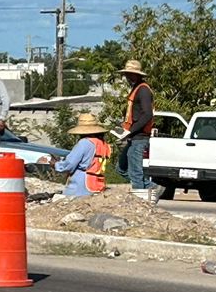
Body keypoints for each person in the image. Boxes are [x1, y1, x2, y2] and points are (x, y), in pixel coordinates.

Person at [115, 59, 154, 193]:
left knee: (135, 174)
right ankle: (153, 188)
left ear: (137, 75)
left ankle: (141, 199)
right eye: (126, 74)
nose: (127, 77)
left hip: (140, 137)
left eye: (130, 74)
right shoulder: (137, 89)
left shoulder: (143, 90)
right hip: (134, 136)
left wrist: (130, 130)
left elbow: (147, 114)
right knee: (121, 168)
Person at [55, 113, 110, 197]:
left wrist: (56, 164)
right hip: (98, 183)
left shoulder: (85, 143)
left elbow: (69, 164)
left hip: (81, 186)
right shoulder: (104, 145)